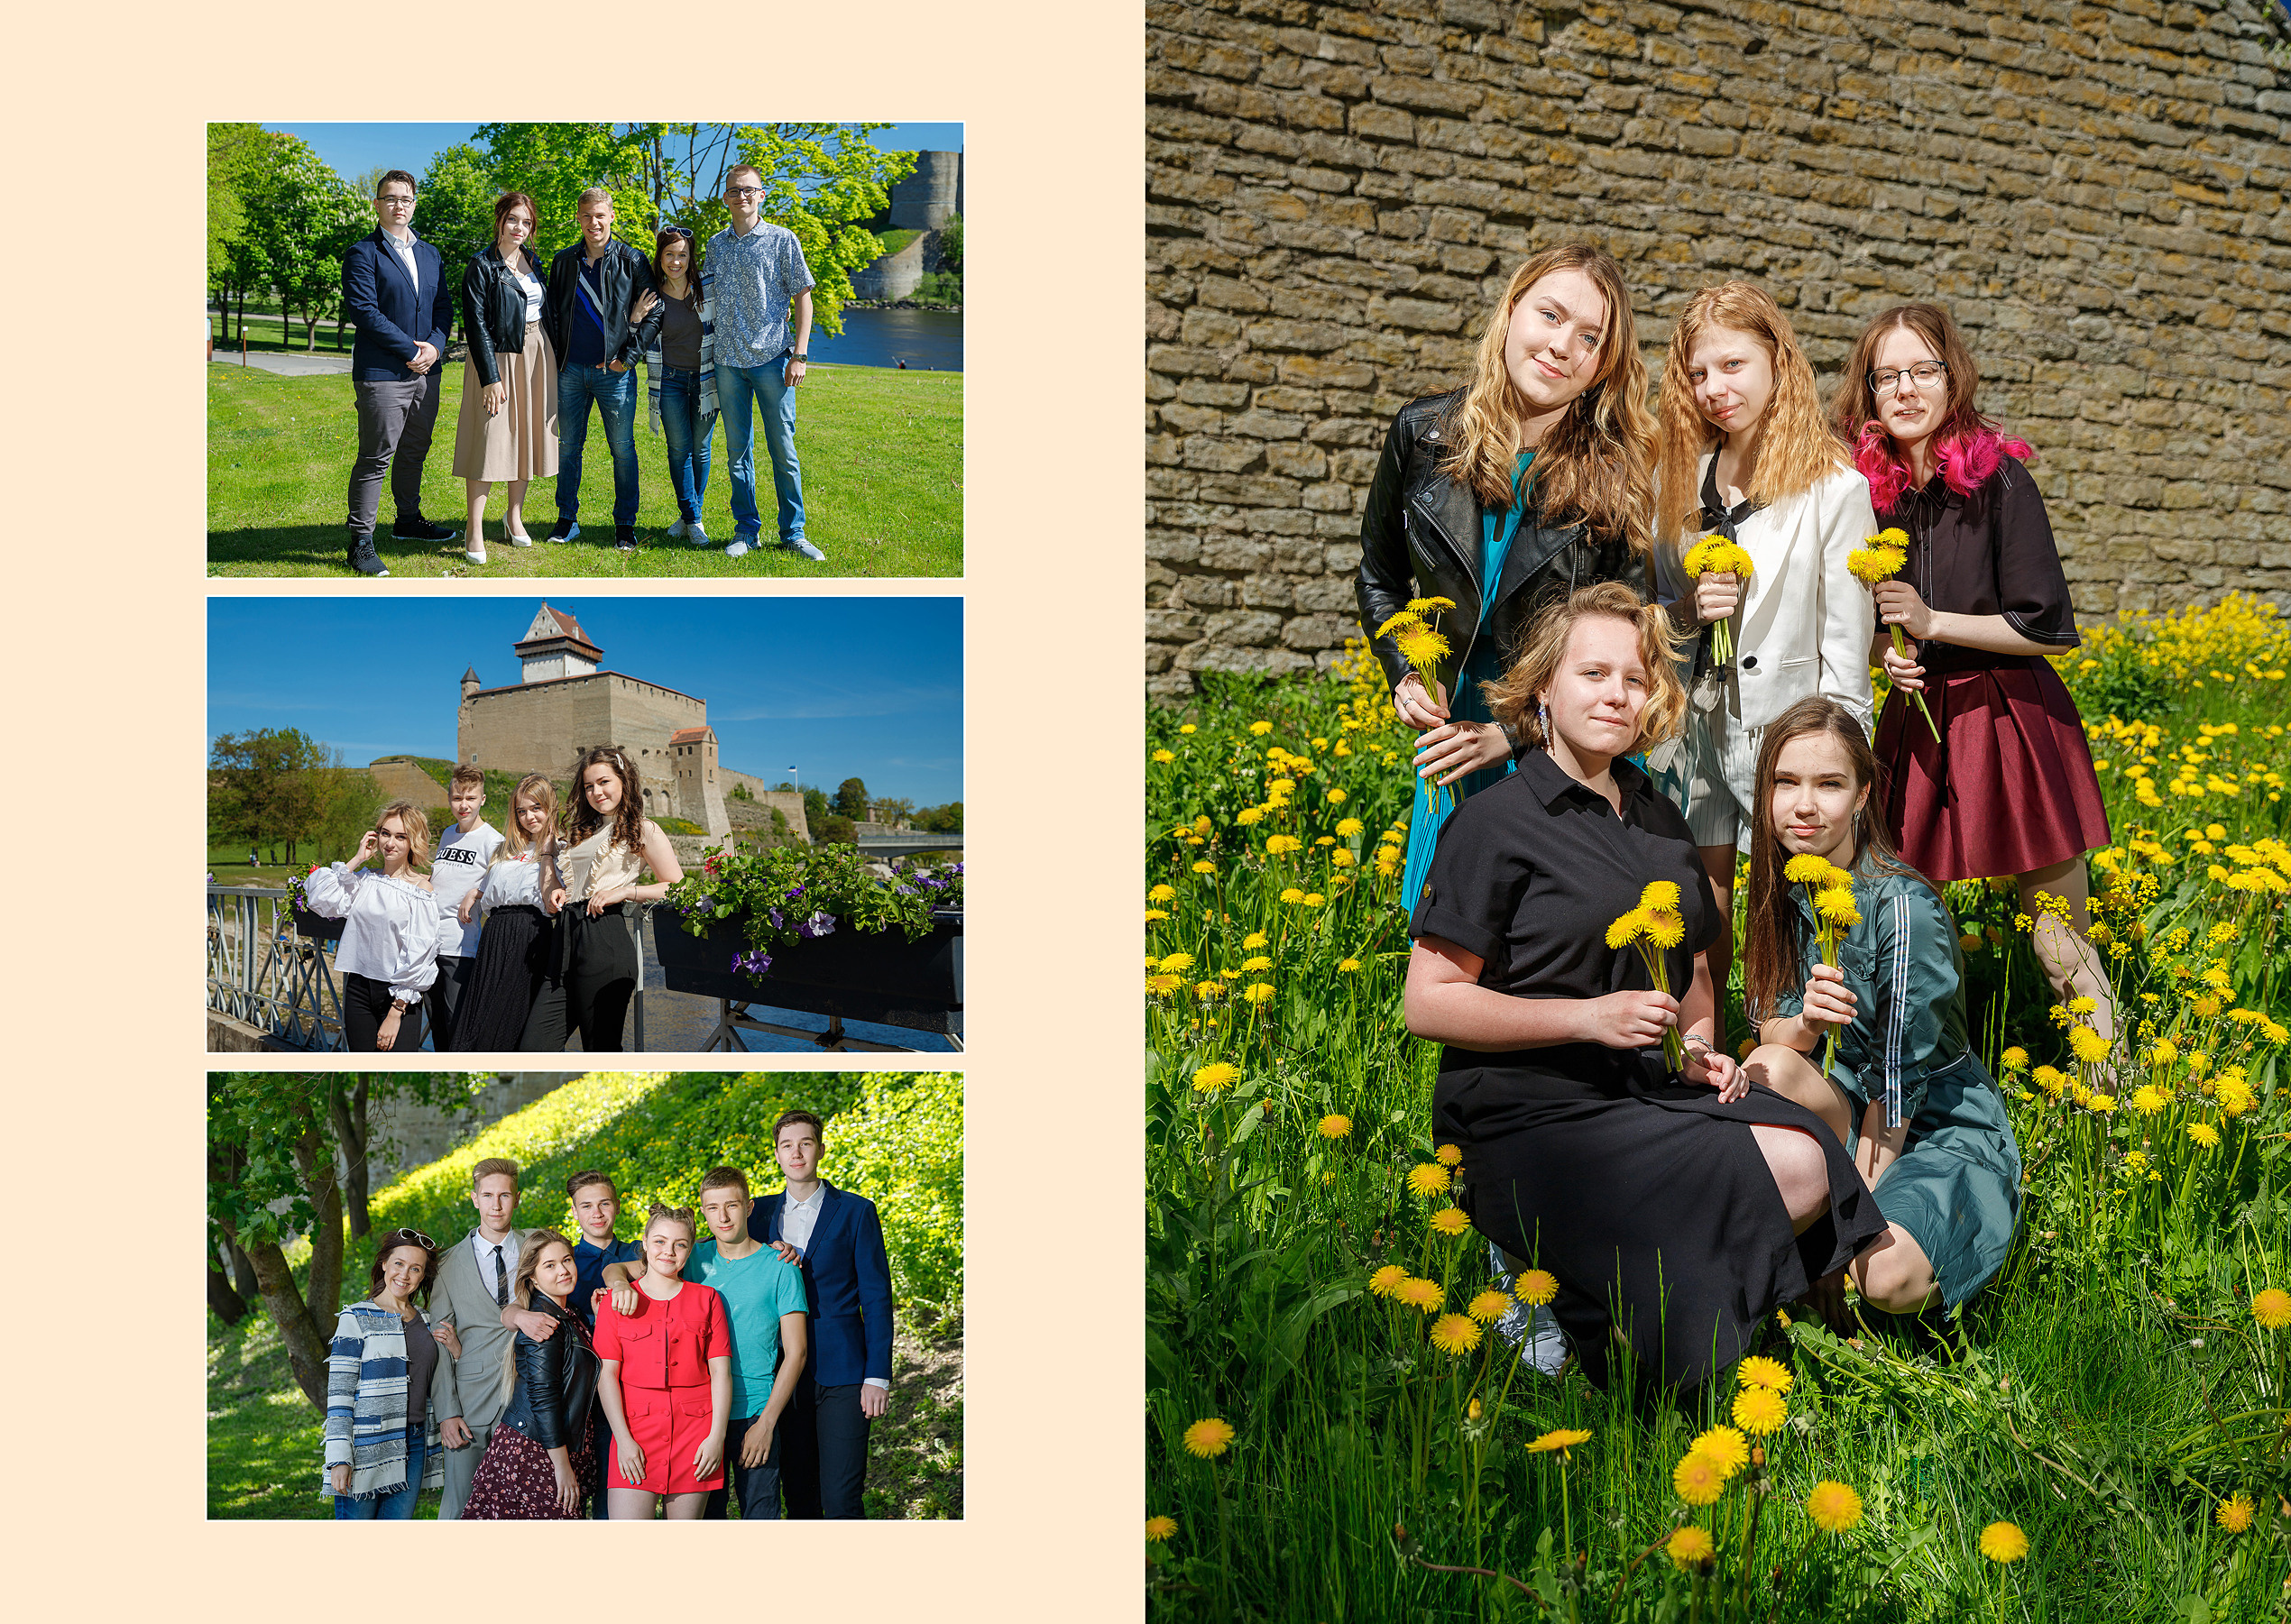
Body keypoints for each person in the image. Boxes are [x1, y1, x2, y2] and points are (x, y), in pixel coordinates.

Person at [1403, 583, 1887, 1392]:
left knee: (1808, 1159)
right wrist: (1588, 1018)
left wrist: (1698, 1049)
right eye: (1593, 673)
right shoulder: (1494, 822)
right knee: (1773, 1169)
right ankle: (1538, 1267)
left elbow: (1691, 969)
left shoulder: (1660, 819)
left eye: (1634, 678)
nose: (1617, 694)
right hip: (1529, 1109)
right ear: (1543, 688)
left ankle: (1616, 1302)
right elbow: (1429, 999)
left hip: (1646, 1089)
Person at [1833, 301, 2115, 1047]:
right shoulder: (1861, 497)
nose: (1905, 389)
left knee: (2058, 942)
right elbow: (1864, 625)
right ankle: (1928, 1079)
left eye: (1922, 370)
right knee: (1910, 931)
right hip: (1918, 724)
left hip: (2008, 717)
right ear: (1868, 392)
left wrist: (1932, 623)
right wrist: (1887, 653)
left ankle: (2112, 1090)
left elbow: (2045, 627)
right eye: (1887, 376)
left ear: (1951, 377)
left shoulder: (2001, 483)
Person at [1353, 243, 1658, 915]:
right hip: (1452, 727)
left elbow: (1627, 648)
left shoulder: (1618, 477)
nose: (1562, 347)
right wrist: (1404, 672)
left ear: (1604, 365)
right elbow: (1378, 576)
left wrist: (1518, 733)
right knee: (1446, 922)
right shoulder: (1420, 434)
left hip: (1561, 737)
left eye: (1590, 339)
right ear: (1512, 310)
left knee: (1543, 929)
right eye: (1550, 315)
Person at [1739, 696, 2025, 1317]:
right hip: (1844, 1102)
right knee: (1771, 1065)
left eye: (1829, 784)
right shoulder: (1779, 889)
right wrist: (1807, 1022)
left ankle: (1927, 1218)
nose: (1804, 805)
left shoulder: (1902, 908)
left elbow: (1896, 1090)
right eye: (1786, 782)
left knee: (1885, 1277)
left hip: (1930, 1120)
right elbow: (1768, 1032)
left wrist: (1840, 1238)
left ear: (1863, 795)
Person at [1650, 281, 1878, 996]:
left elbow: (1848, 649)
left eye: (1732, 365)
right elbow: (1656, 609)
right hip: (1694, 733)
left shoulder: (1834, 488)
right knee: (1699, 917)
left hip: (1787, 736)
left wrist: (1838, 771)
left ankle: (1791, 1045)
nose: (1714, 389)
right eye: (1697, 373)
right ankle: (1704, 1044)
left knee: (1795, 924)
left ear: (1778, 361)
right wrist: (1688, 609)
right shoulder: (1676, 479)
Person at [752, 1110, 894, 1518]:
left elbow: (877, 1298)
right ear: (777, 1154)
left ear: (821, 1149)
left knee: (841, 1498)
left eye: (805, 1143)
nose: (796, 1153)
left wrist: (877, 1375)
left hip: (844, 1372)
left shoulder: (856, 1211)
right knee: (799, 1496)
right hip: (781, 1371)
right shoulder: (757, 1214)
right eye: (787, 1145)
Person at [521, 745, 685, 1052]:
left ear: (624, 780)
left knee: (601, 1051)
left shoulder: (644, 829)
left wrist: (625, 892)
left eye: (604, 782)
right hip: (564, 940)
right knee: (533, 1048)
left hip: (604, 939)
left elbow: (678, 887)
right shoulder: (583, 831)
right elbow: (573, 882)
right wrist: (559, 885)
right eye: (588, 786)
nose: (596, 792)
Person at [340, 169, 463, 578]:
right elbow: (364, 312)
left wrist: (435, 347)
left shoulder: (430, 254)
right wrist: (412, 349)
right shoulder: (363, 253)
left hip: (428, 370)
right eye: (390, 198)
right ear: (377, 204)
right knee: (376, 456)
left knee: (415, 449)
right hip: (382, 372)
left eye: (406, 199)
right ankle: (361, 541)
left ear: (414, 204)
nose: (399, 206)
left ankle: (408, 520)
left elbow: (443, 307)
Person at [704, 163, 825, 561]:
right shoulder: (715, 245)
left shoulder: (782, 240)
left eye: (748, 190)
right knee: (737, 452)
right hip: (727, 362)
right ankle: (746, 530)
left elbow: (803, 297)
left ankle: (794, 532)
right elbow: (704, 298)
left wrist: (800, 355)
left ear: (761, 194)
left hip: (773, 359)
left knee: (783, 451)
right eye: (734, 191)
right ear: (725, 198)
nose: (741, 196)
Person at [679, 1167, 811, 1520]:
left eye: (732, 1205)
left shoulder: (781, 1266)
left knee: (760, 1516)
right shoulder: (691, 1260)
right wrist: (616, 1282)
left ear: (749, 1207)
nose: (723, 1217)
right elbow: (626, 1269)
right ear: (703, 1211)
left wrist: (766, 1424)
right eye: (713, 1207)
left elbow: (796, 1353)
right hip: (700, 1413)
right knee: (705, 1520)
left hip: (755, 1410)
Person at [593, 1204, 733, 1519]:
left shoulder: (708, 1299)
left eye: (679, 1244)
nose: (668, 1251)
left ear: (690, 1250)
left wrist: (716, 1438)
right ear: (644, 1243)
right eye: (659, 1241)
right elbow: (606, 1376)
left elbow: (721, 1374)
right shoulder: (615, 1302)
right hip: (634, 1435)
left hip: (695, 1437)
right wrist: (623, 1440)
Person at [543, 188, 660, 553]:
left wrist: (628, 358)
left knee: (623, 449)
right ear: (578, 218)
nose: (593, 223)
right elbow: (551, 314)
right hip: (571, 372)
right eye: (586, 216)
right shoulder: (564, 261)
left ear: (611, 216)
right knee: (568, 448)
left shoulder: (632, 260)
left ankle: (625, 525)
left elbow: (655, 312)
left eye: (600, 215)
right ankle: (567, 519)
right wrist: (556, 359)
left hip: (616, 374)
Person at [461, 1228, 600, 1518]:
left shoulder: (569, 1312)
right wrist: (561, 1465)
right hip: (535, 1450)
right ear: (533, 1278)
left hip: (551, 1444)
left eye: (567, 1260)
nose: (563, 1270)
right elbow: (543, 1397)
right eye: (550, 1265)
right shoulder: (542, 1324)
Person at [452, 191, 558, 563]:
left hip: (535, 356)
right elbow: (476, 324)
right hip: (496, 357)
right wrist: (490, 378)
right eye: (513, 219)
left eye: (526, 222)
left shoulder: (534, 261)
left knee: (526, 436)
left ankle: (514, 517)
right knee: (489, 439)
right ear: (499, 220)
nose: (519, 227)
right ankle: (474, 528)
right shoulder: (481, 265)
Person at [427, 1159, 527, 1518]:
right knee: (460, 1507)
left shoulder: (536, 1246)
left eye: (504, 1195)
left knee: (521, 1506)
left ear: (517, 1199)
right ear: (474, 1199)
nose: (496, 1205)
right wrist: (447, 1412)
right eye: (488, 1196)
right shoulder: (447, 1264)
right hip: (469, 1405)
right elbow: (440, 1342)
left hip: (529, 1395)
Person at [325, 1228, 447, 1518]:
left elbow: (441, 1379)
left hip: (414, 1441)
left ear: (423, 1276)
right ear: (383, 1264)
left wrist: (453, 1348)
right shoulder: (356, 1318)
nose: (405, 1275)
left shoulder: (428, 1321)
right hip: (366, 1445)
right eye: (398, 1264)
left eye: (415, 1268)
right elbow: (339, 1394)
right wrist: (339, 1458)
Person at [299, 801, 438, 1052]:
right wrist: (357, 858)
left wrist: (395, 1012)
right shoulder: (365, 880)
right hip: (358, 989)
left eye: (401, 836)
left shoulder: (421, 890)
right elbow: (319, 898)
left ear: (413, 841)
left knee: (395, 1074)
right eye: (385, 834)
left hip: (398, 997)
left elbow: (421, 954)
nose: (390, 843)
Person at [448, 774, 560, 1052]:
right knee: (480, 1016)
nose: (528, 817)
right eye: (521, 811)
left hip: (530, 933)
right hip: (495, 933)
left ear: (550, 807)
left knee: (508, 1016)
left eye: (536, 808)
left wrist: (549, 852)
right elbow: (497, 885)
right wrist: (476, 892)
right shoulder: (506, 848)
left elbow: (552, 898)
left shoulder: (561, 848)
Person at [634, 226, 719, 548]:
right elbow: (635, 338)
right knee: (679, 449)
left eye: (682, 254)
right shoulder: (651, 294)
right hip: (668, 380)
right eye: (669, 254)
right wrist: (636, 317)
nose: (676, 261)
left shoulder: (707, 287)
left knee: (701, 448)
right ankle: (694, 519)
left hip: (706, 379)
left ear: (691, 257)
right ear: (660, 257)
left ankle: (688, 516)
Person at [428, 764, 502, 1051]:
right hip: (429, 943)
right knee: (437, 1025)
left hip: (461, 947)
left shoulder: (494, 841)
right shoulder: (448, 834)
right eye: (457, 798)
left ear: (482, 799)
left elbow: (503, 886)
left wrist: (477, 891)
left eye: (470, 798)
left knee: (458, 1026)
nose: (463, 805)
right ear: (449, 799)